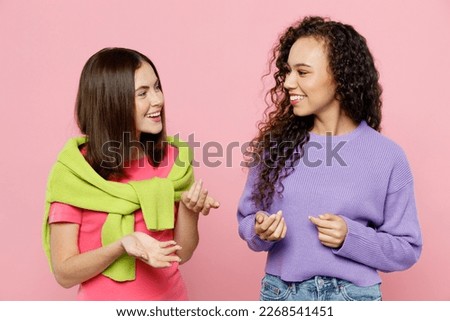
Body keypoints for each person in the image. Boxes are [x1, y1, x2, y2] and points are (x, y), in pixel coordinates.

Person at [237, 16, 422, 301]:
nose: (287, 82)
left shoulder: (387, 157)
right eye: (287, 71)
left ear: (339, 75)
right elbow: (247, 220)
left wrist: (352, 237)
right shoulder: (275, 148)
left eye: (302, 72)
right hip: (283, 295)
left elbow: (407, 248)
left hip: (353, 298)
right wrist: (261, 230)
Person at [42, 47, 219, 300]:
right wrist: (121, 246)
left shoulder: (173, 161)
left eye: (157, 87)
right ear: (112, 102)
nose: (157, 100)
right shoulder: (76, 173)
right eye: (142, 93)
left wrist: (190, 210)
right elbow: (64, 273)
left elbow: (182, 254)